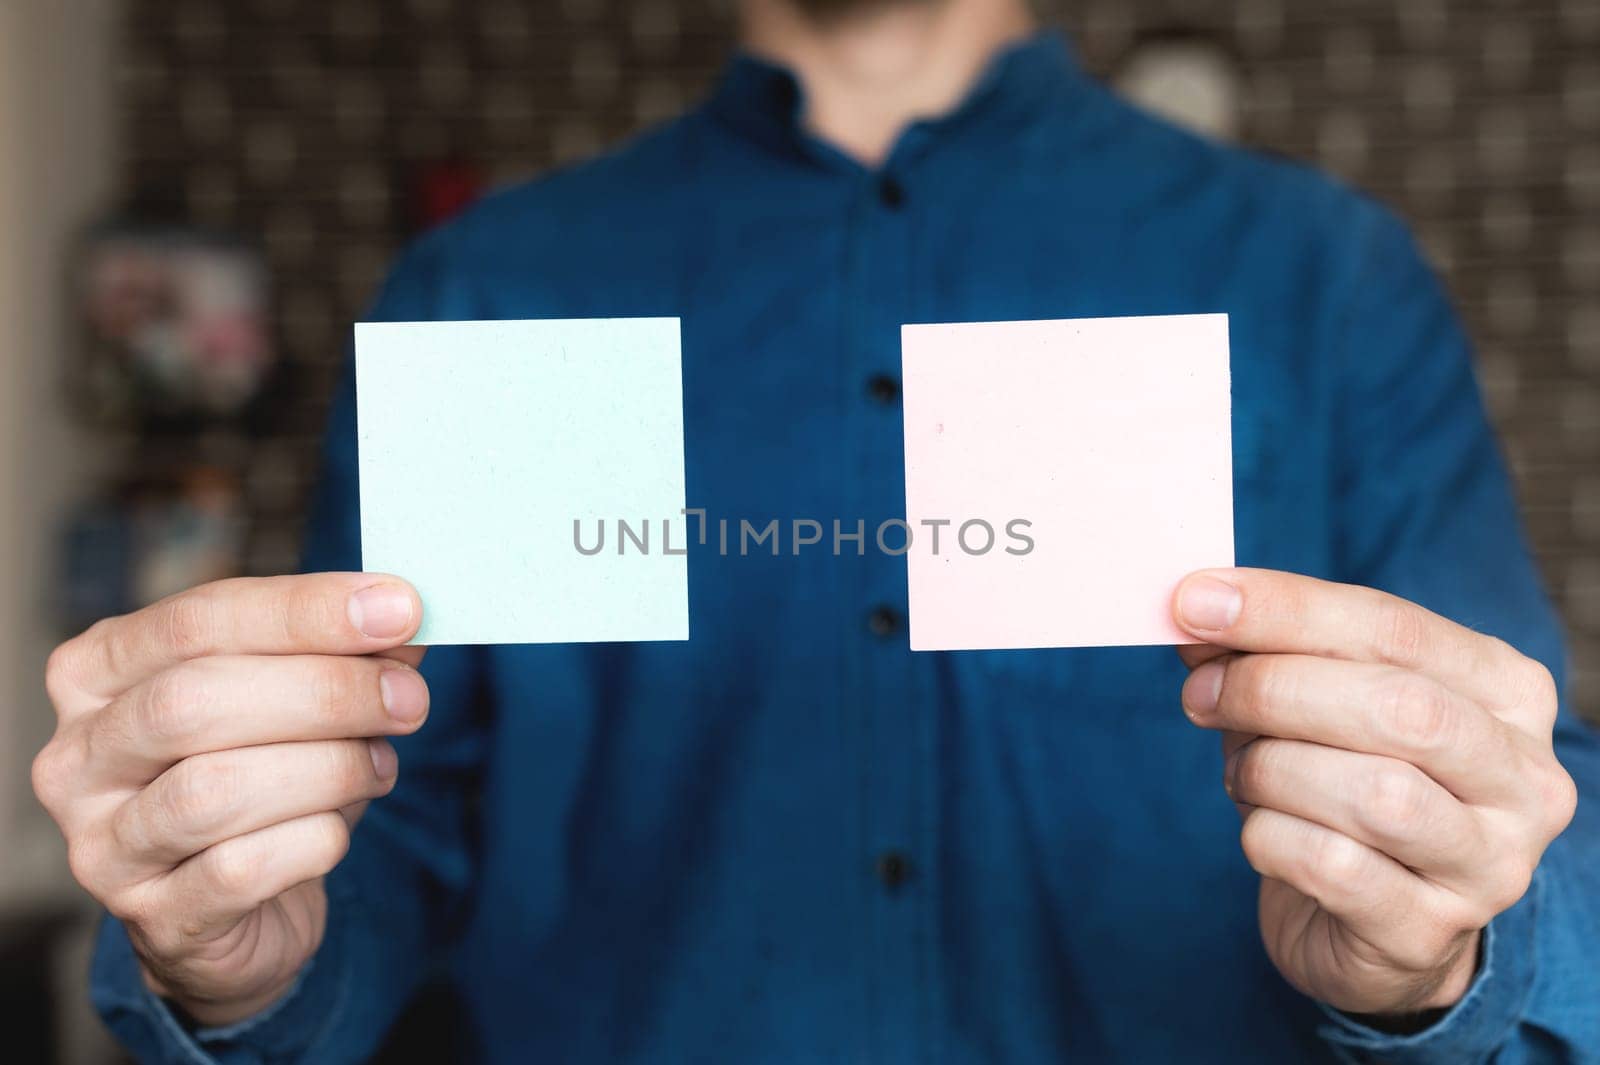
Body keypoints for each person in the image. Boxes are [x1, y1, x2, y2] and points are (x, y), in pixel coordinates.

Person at [34, 0, 1599, 1061]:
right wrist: (224, 955)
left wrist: (1440, 954)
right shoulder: (495, 291)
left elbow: (1542, 819)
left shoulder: (1320, 277)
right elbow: (380, 843)